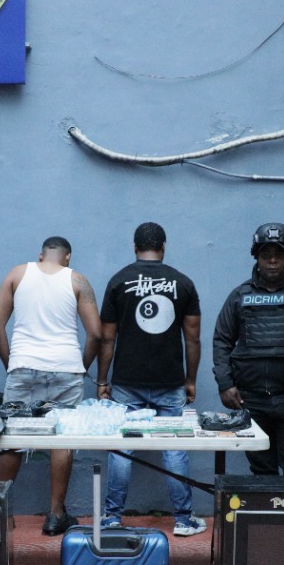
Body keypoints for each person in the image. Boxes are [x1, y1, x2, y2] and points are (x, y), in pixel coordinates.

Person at [98, 222, 207, 537]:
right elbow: (193, 339)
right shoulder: (183, 283)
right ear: (164, 245)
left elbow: (107, 339)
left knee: (122, 449)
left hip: (126, 382)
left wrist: (102, 381)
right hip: (170, 381)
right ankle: (184, 520)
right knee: (174, 450)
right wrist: (191, 380)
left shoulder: (119, 281)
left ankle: (112, 518)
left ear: (135, 246)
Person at [0, 236, 102, 535]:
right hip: (66, 367)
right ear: (68, 257)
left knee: (13, 439)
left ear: (41, 256)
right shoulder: (78, 280)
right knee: (61, 440)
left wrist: (11, 363)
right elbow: (96, 334)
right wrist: (81, 367)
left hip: (23, 366)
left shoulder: (17, 273)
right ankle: (55, 515)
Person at [212, 222, 284, 476]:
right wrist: (225, 383)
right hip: (251, 399)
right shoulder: (239, 296)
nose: (272, 261)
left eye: (279, 255)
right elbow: (222, 340)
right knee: (261, 470)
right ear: (257, 257)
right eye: (266, 255)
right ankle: (265, 518)